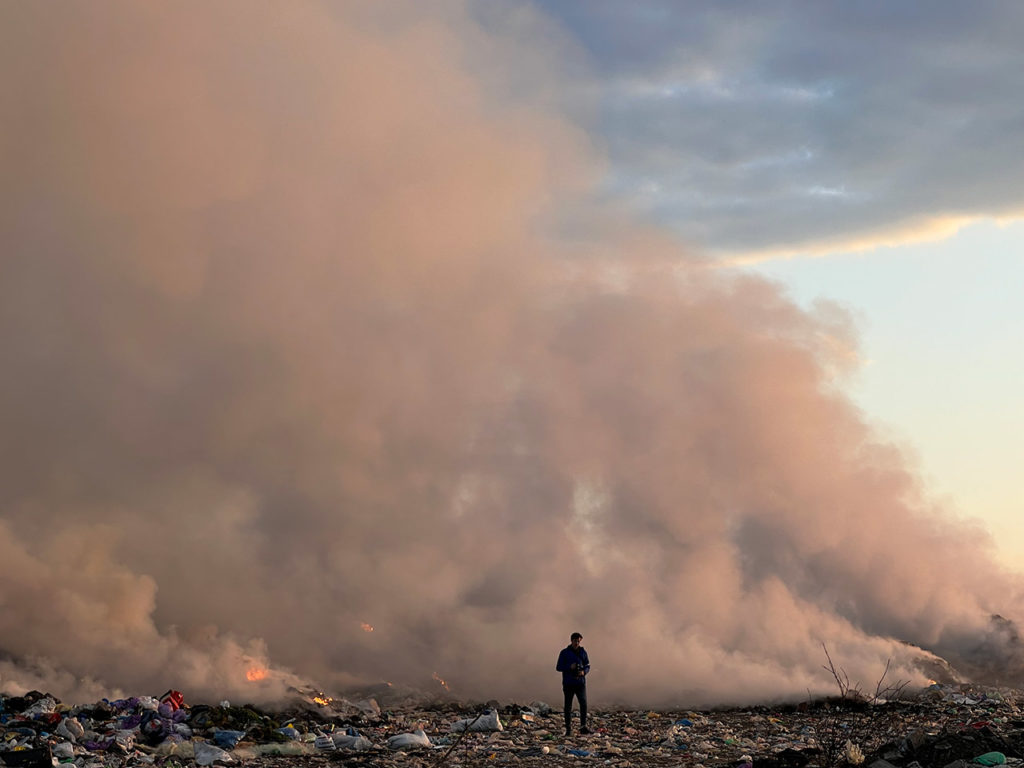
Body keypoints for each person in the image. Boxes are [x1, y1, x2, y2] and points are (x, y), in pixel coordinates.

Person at [555, 632, 590, 736]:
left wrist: (584, 672)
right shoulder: (564, 653)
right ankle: (568, 729)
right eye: (575, 641)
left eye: (579, 641)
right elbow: (558, 667)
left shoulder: (583, 652)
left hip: (580, 683)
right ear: (571, 640)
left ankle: (583, 726)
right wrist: (570, 667)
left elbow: (587, 665)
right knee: (568, 707)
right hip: (569, 683)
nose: (577, 643)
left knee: (583, 704)